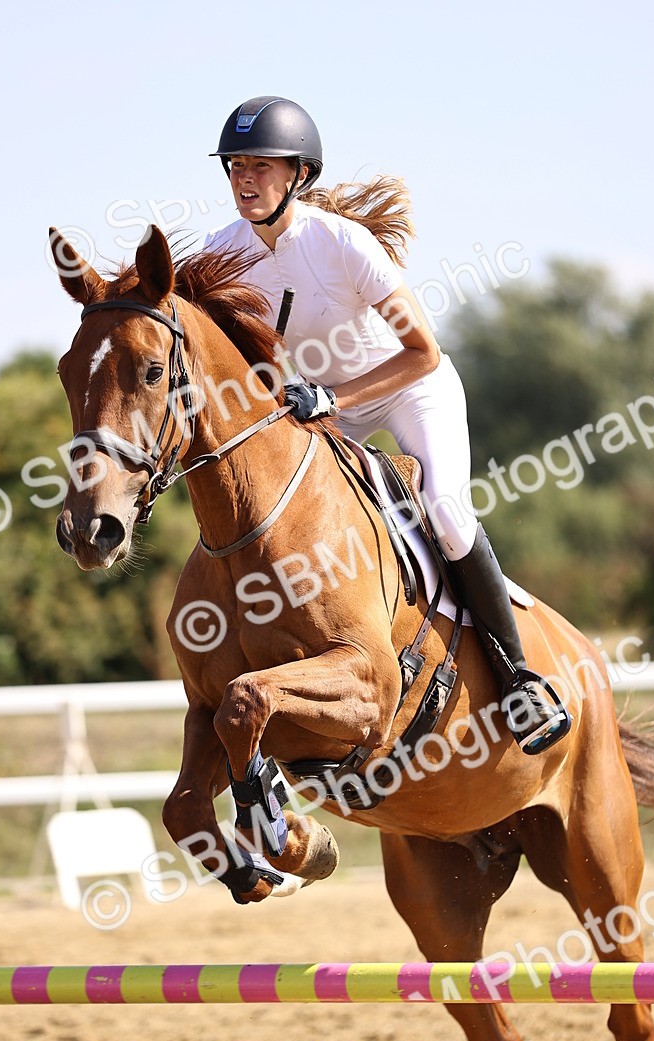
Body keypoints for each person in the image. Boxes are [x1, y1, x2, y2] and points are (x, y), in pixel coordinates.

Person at [204, 95, 570, 754]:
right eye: (235, 166)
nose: (244, 179)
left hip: (406, 389)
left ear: (298, 175)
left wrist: (336, 399)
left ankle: (519, 678)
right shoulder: (220, 254)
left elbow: (421, 352)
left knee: (447, 513)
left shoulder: (341, 242)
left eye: (261, 165)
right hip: (319, 405)